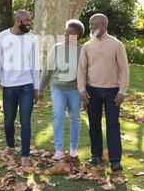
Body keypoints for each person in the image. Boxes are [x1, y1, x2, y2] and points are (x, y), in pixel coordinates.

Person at [77, 13, 129, 172]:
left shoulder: (117, 44)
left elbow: (124, 69)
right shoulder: (87, 46)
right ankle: (96, 155)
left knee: (113, 125)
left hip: (112, 92)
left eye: (94, 25)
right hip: (92, 91)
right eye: (90, 24)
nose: (91, 27)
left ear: (104, 26)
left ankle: (115, 160)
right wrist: (82, 89)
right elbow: (81, 70)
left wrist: (122, 91)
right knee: (94, 125)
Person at [0, 9, 39, 166]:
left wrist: (36, 88)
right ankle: (10, 146)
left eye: (29, 20)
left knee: (25, 120)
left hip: (26, 85)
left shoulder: (32, 39)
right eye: (27, 21)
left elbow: (35, 64)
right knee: (8, 121)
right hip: (8, 86)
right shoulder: (2, 37)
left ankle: (25, 154)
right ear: (18, 21)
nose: (29, 24)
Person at [39, 20, 84, 160]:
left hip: (75, 89)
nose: (66, 34)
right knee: (58, 114)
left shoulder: (82, 50)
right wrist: (40, 89)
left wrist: (85, 91)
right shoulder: (57, 48)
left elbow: (86, 72)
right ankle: (58, 149)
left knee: (75, 117)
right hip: (57, 87)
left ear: (78, 36)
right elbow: (47, 70)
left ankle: (73, 149)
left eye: (71, 33)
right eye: (66, 31)